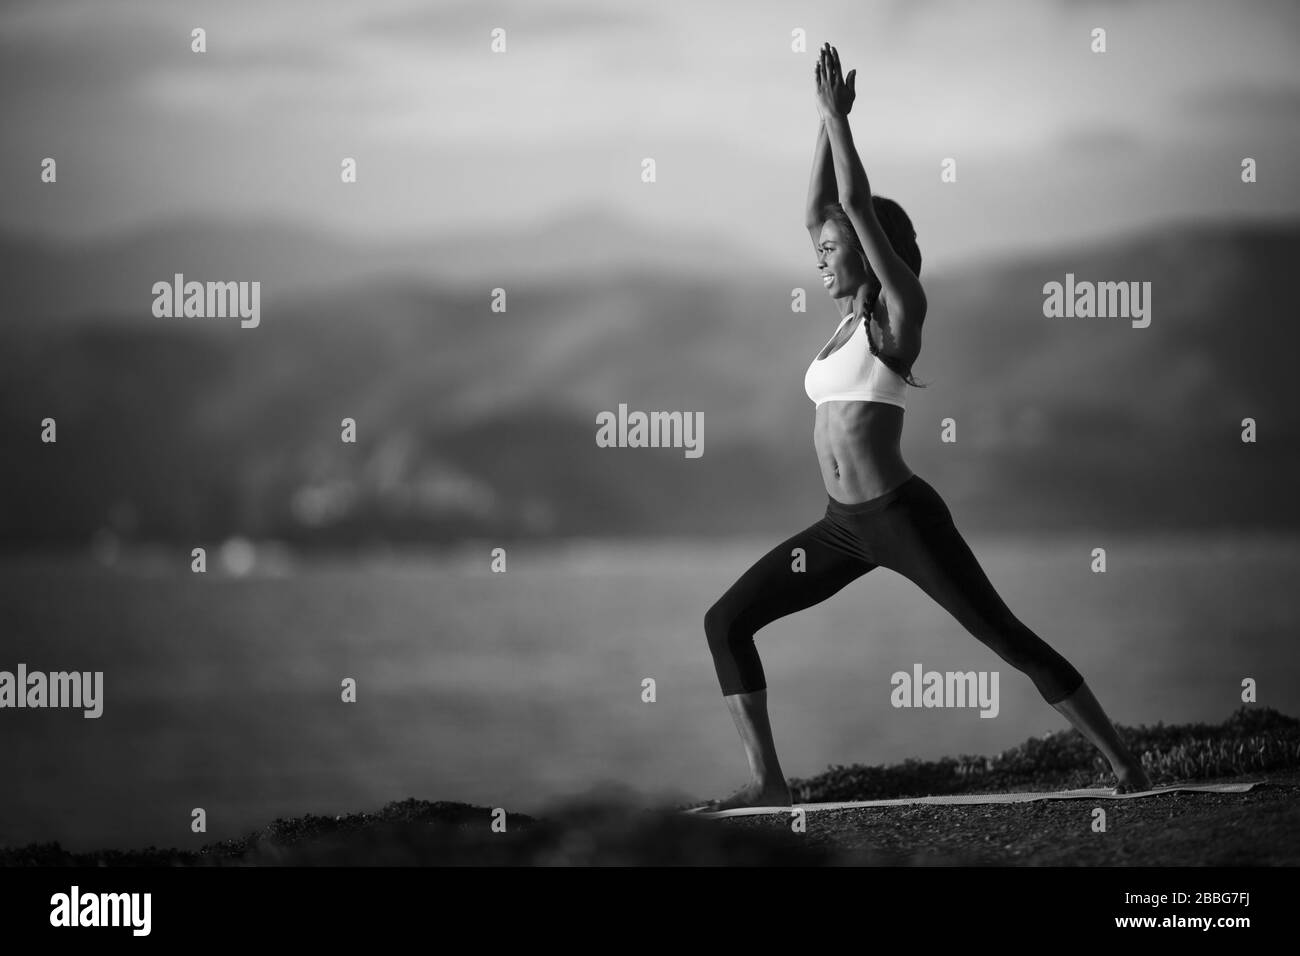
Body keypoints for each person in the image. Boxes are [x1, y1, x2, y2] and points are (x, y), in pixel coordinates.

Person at [700, 44, 1151, 810]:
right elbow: (820, 209)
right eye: (820, 251)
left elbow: (853, 200)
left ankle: (1124, 764)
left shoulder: (899, 319)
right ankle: (769, 785)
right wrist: (822, 119)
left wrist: (843, 128)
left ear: (871, 253)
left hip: (902, 519)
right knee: (727, 622)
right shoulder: (844, 326)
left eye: (834, 250)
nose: (819, 256)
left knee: (1003, 635)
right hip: (841, 529)